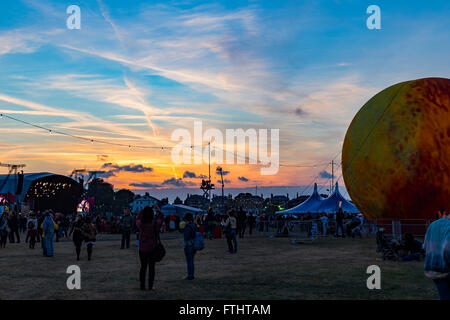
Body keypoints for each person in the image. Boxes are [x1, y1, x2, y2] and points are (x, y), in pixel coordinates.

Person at [423, 209, 450, 300]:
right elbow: (448, 248)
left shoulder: (432, 225)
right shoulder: (448, 225)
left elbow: (425, 246)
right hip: (446, 268)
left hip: (433, 269)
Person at [136, 205, 164, 290]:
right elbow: (161, 217)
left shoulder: (141, 224)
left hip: (142, 248)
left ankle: (142, 286)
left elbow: (137, 218)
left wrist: (143, 209)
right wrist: (158, 209)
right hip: (152, 247)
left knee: (143, 267)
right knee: (152, 268)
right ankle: (150, 286)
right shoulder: (155, 223)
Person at [183, 212, 198, 280]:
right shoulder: (194, 225)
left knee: (189, 261)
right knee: (191, 261)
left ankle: (190, 275)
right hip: (194, 244)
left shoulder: (188, 226)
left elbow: (186, 237)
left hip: (188, 245)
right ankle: (192, 274)